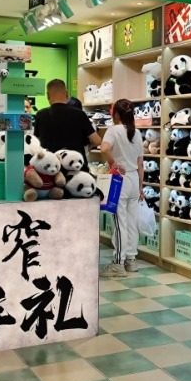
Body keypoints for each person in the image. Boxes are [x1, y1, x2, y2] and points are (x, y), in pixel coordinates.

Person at [100, 99, 144, 278]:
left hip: (120, 180)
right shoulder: (137, 133)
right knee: (131, 221)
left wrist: (114, 163)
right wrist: (141, 187)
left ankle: (118, 263)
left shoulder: (114, 130)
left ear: (115, 114)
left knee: (119, 222)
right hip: (134, 179)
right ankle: (131, 260)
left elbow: (104, 148)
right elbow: (141, 163)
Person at [34, 79, 101, 167]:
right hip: (76, 168)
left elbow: (36, 142)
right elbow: (97, 141)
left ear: (47, 95)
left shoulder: (41, 114)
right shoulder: (79, 114)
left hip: (50, 167)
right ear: (66, 93)